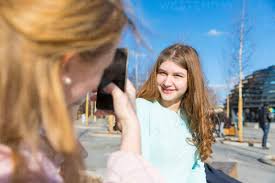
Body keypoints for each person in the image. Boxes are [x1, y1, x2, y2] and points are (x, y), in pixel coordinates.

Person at [0, 0, 164, 183]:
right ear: (68, 64)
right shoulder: (23, 173)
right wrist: (129, 125)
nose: (98, 81)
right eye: (102, 68)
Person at [136, 44, 215, 183]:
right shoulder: (142, 107)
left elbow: (195, 168)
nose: (167, 82)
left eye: (177, 75)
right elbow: (140, 167)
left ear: (191, 80)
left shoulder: (193, 117)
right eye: (162, 73)